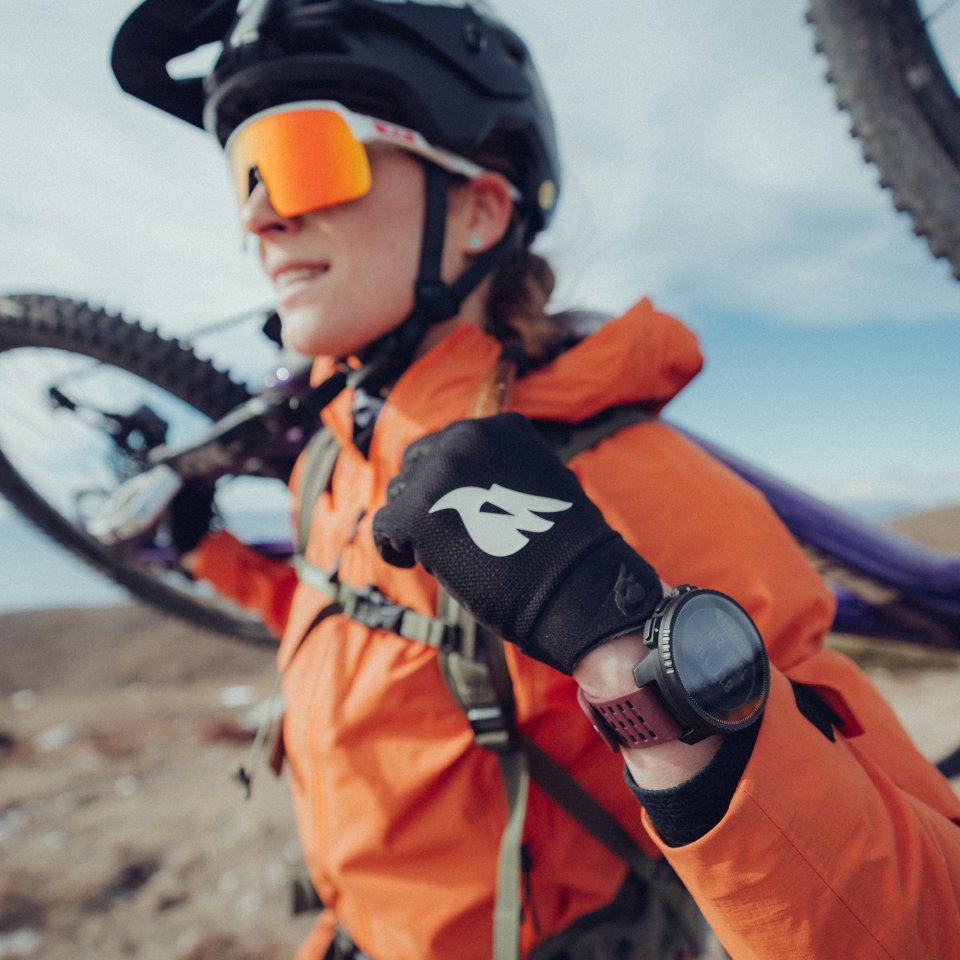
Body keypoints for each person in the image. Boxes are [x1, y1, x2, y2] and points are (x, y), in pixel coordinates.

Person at [110, 2, 960, 959]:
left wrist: (626, 644)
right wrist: (206, 552)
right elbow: (357, 623)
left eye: (303, 155)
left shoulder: (620, 482)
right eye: (246, 172)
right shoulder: (334, 458)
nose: (261, 213)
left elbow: (926, 927)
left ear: (479, 210)